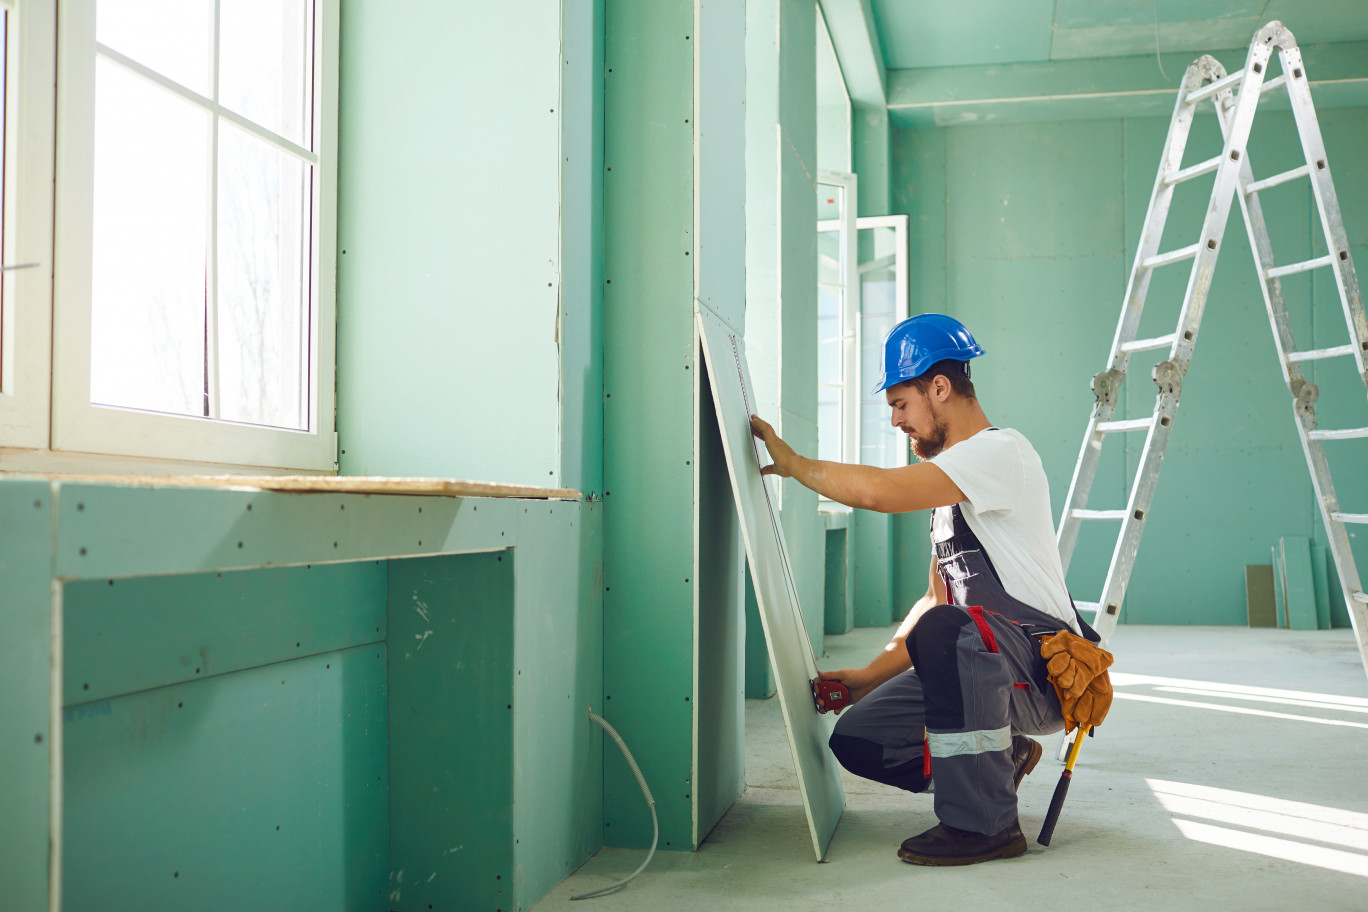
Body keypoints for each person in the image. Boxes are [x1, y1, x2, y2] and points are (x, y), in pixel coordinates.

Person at [748, 312, 1099, 867]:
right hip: (984, 664)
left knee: (950, 632)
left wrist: (796, 466)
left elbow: (879, 493)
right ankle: (1003, 757)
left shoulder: (1000, 452)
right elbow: (936, 602)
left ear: (939, 387)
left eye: (899, 404)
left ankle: (985, 827)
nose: (895, 421)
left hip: (1038, 673)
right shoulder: (947, 496)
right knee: (861, 739)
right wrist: (866, 677)